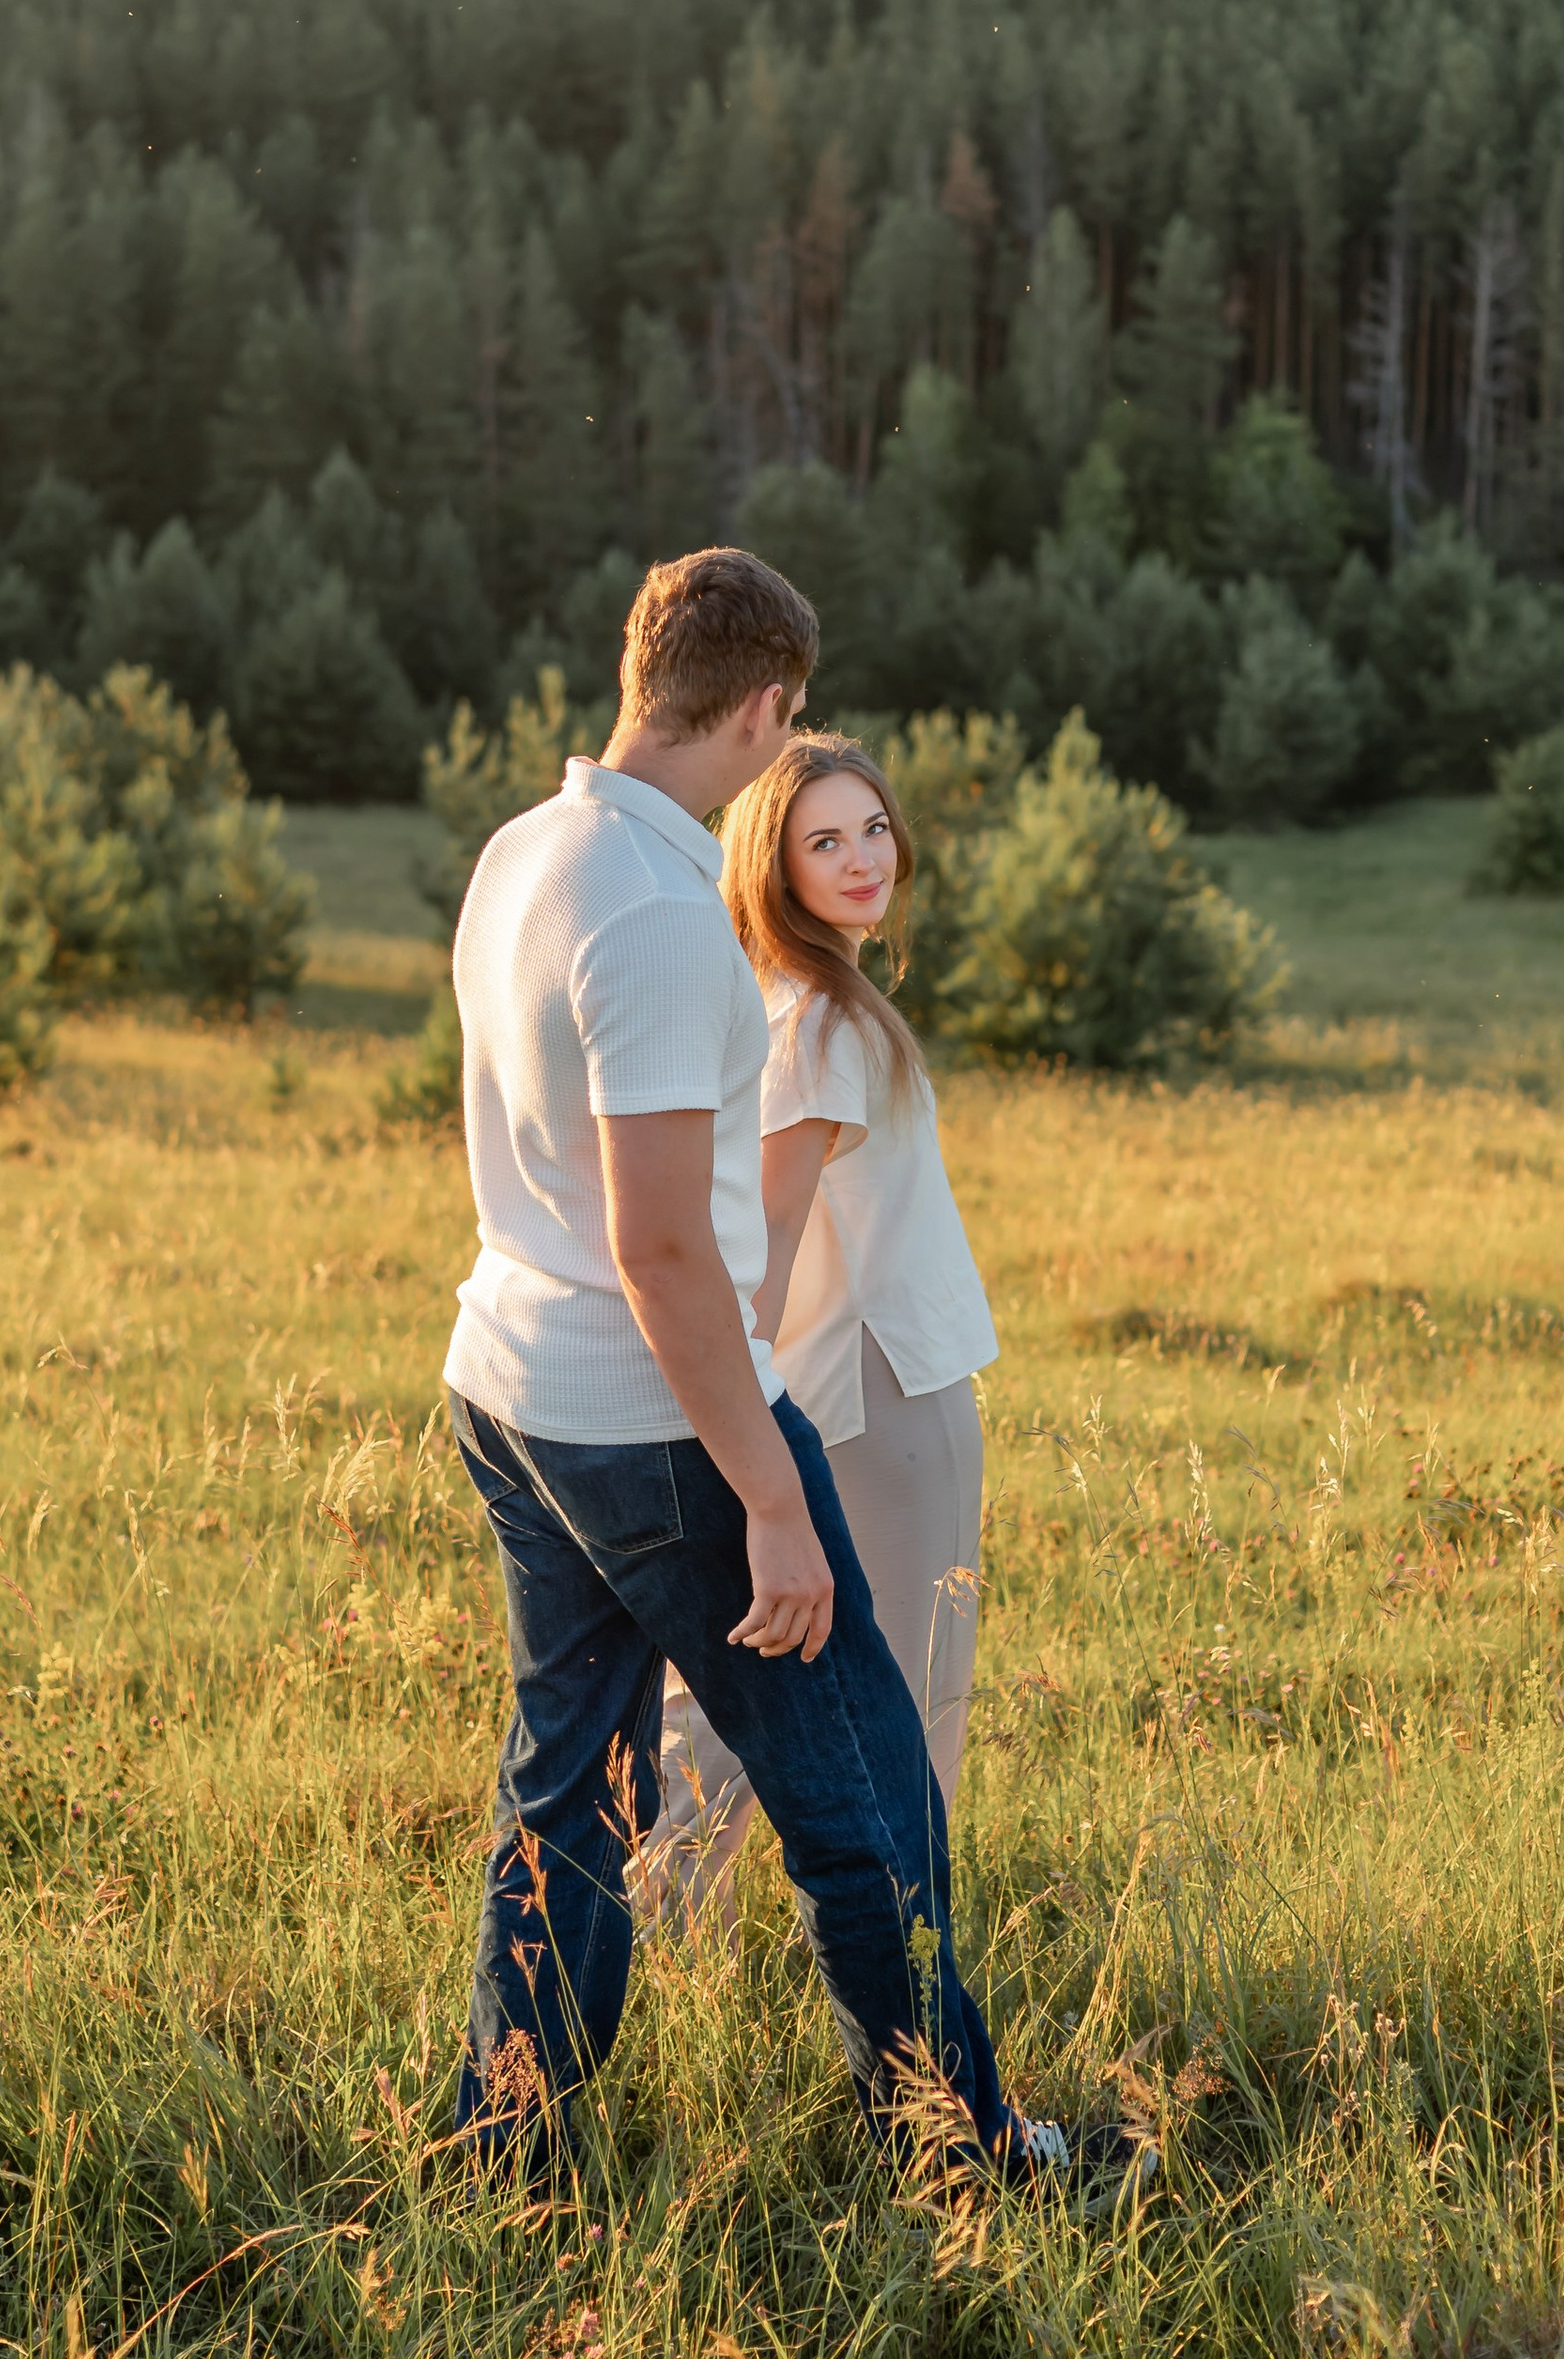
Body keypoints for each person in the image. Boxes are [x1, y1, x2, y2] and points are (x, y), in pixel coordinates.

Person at [440, 545, 1121, 2186]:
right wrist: (773, 1495)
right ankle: (969, 2155)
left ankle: (497, 2153)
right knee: (870, 1804)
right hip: (654, 1417)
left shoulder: (527, 850)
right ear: (767, 710)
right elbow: (668, 1247)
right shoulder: (663, 913)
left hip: (511, 1380)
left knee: (570, 1799)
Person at [642, 734, 993, 1923]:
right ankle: (907, 1982)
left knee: (770, 1682)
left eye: (874, 830)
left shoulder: (790, 1003)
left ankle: (658, 1914)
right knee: (907, 1700)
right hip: (880, 1392)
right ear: (774, 864)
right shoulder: (826, 1023)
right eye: (823, 841)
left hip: (852, 1383)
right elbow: (769, 1241)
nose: (860, 861)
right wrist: (741, 1432)